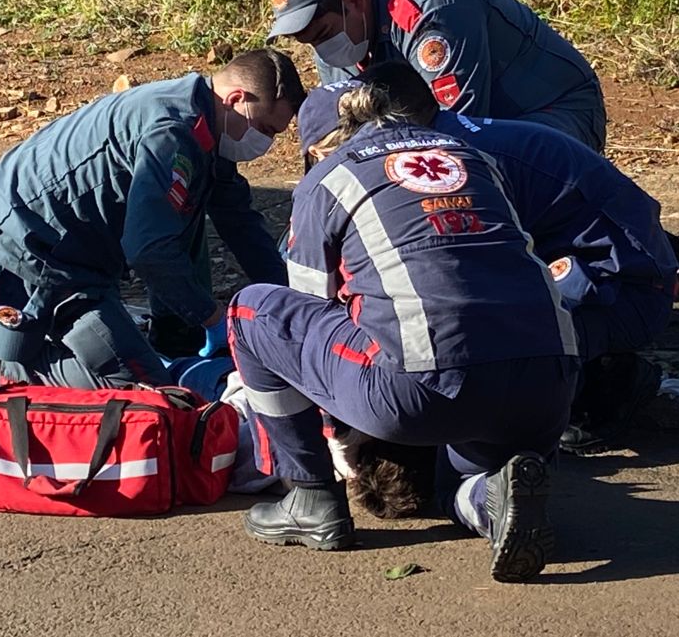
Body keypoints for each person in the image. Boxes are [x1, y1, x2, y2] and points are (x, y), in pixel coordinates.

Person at [228, 72, 581, 582]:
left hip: (421, 385)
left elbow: (305, 314)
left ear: (321, 146)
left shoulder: (329, 176)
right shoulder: (471, 158)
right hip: (549, 384)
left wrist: (336, 431)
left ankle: (310, 496)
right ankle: (492, 499)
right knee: (460, 479)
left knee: (252, 312)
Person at [296, 65, 679, 453]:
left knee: (492, 334)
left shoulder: (460, 159)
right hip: (607, 265)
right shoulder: (448, 141)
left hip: (626, 288)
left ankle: (607, 383)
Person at [0, 49, 306, 416]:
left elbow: (240, 223)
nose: (266, 144)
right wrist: (210, 316)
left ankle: (34, 343)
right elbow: (149, 251)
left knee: (141, 372)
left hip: (80, 241)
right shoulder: (174, 131)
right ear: (237, 98)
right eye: (266, 129)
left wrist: (295, 304)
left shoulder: (208, 124)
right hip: (32, 236)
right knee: (143, 390)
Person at [264, 0, 608, 151]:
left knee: (481, 175)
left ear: (353, 2)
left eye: (322, 34)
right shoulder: (336, 31)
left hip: (551, 113)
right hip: (475, 125)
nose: (320, 52)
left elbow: (459, 132)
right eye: (309, 42)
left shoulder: (433, 12)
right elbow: (344, 137)